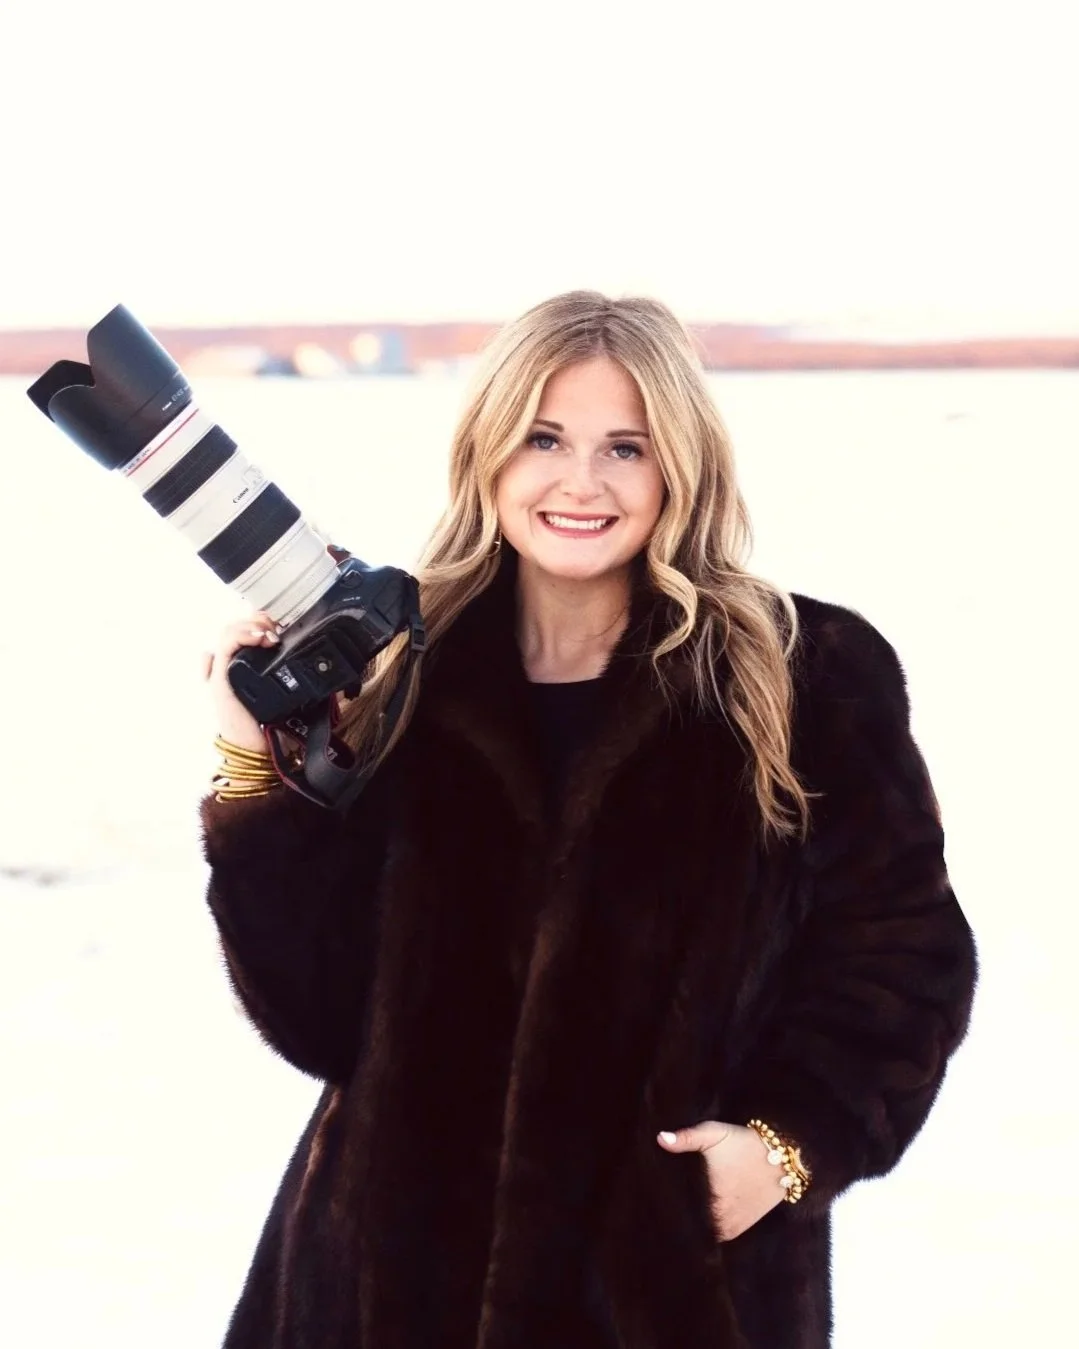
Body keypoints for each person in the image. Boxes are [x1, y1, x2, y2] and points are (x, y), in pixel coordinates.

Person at [199, 290, 978, 1349]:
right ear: (488, 452)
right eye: (544, 437)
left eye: (626, 446)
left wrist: (784, 1147)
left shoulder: (804, 676)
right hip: (381, 1290)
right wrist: (256, 774)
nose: (581, 479)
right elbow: (320, 1018)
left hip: (671, 1294)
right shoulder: (403, 669)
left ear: (679, 467)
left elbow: (903, 959)